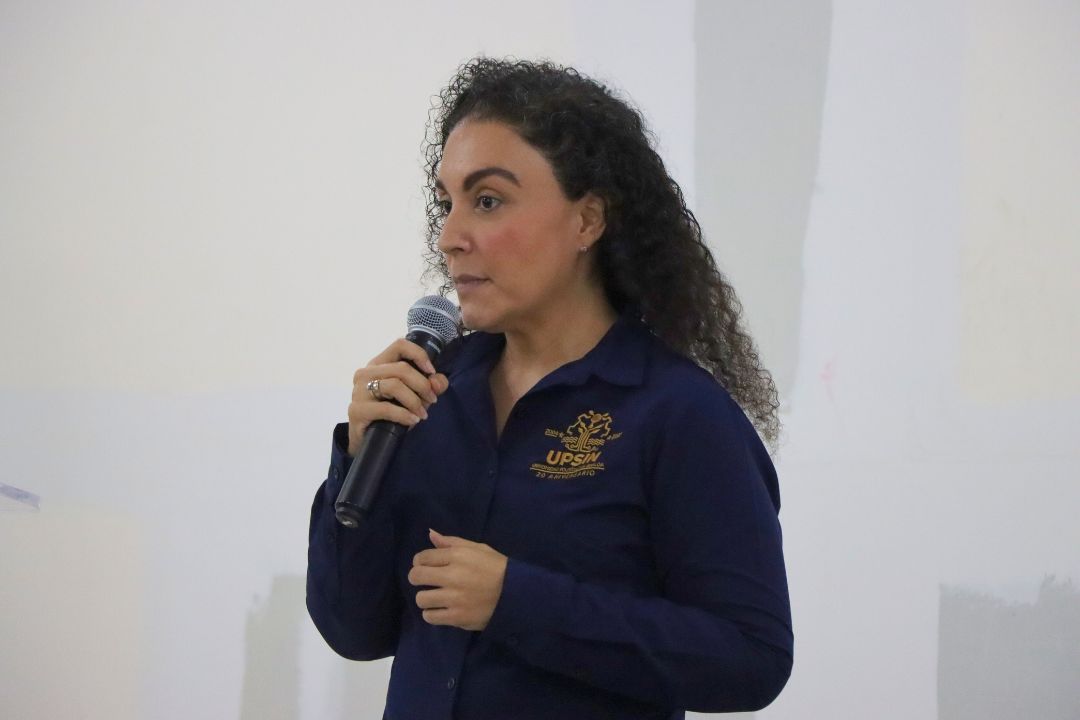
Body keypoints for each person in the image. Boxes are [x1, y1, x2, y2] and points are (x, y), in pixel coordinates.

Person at [307, 58, 792, 720]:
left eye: (487, 200)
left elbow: (749, 659)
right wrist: (358, 455)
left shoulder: (678, 412)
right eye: (446, 203)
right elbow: (354, 631)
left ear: (587, 221)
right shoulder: (431, 396)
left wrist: (517, 601)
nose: (449, 237)